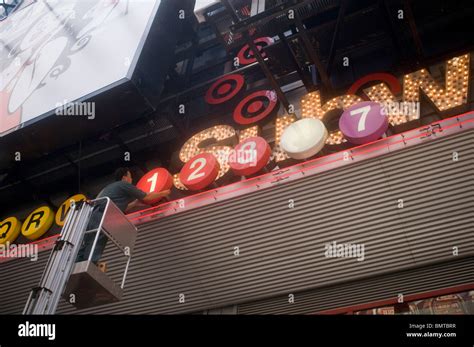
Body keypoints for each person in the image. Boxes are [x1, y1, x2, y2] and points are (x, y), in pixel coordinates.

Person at [76, 168, 170, 267]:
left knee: (87, 242)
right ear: (125, 177)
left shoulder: (110, 188)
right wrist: (164, 193)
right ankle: (90, 265)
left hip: (91, 215)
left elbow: (120, 208)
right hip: (101, 215)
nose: (131, 179)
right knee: (97, 242)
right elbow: (146, 197)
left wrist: (134, 204)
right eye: (130, 176)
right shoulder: (124, 184)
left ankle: (77, 265)